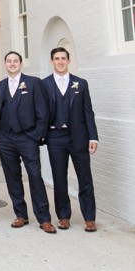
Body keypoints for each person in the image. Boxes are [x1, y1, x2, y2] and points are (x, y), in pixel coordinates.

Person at [0, 51, 55, 233]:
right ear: (5, 64)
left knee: (35, 175)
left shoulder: (33, 83)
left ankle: (44, 218)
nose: (12, 64)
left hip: (27, 137)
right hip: (5, 138)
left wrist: (37, 135)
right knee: (12, 177)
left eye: (15, 61)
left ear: (21, 64)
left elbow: (43, 111)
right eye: (9, 61)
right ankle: (21, 214)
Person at [42, 47, 99, 232]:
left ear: (68, 61)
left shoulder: (80, 84)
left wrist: (93, 137)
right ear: (51, 61)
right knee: (59, 178)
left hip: (78, 137)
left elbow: (88, 112)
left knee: (85, 178)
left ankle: (89, 218)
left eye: (63, 58)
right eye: (57, 58)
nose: (60, 62)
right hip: (55, 137)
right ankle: (63, 216)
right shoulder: (44, 85)